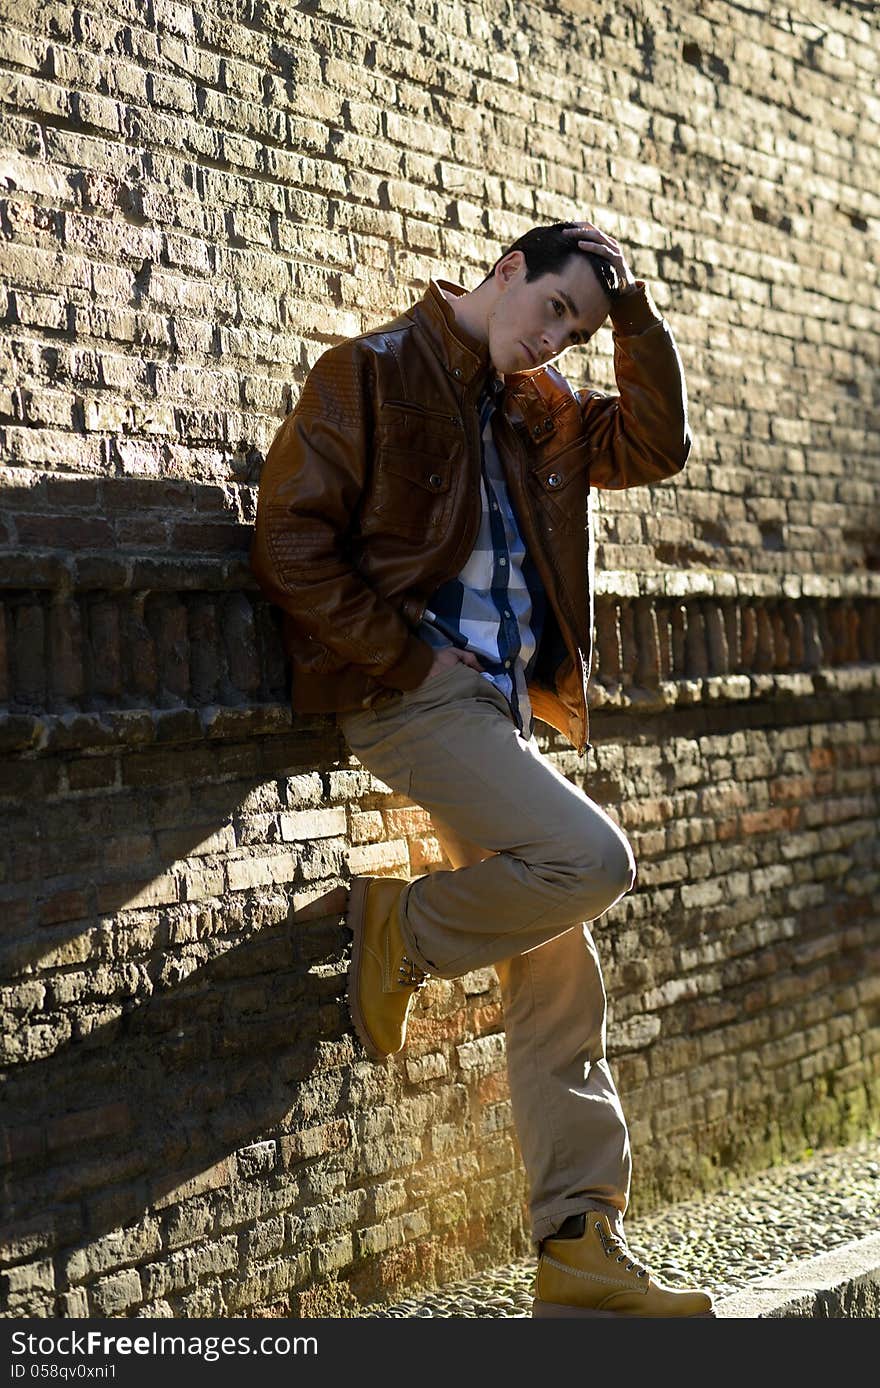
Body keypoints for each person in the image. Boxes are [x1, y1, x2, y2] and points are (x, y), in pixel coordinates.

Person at [250, 221, 715, 1318]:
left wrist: (634, 315)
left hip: (494, 709)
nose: (558, 341)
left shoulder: (536, 410)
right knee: (592, 858)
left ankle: (576, 1241)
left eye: (581, 330)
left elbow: (655, 445)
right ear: (505, 271)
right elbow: (289, 541)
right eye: (553, 308)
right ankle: (398, 931)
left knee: (560, 963)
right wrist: (404, 651)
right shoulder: (369, 373)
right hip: (405, 695)